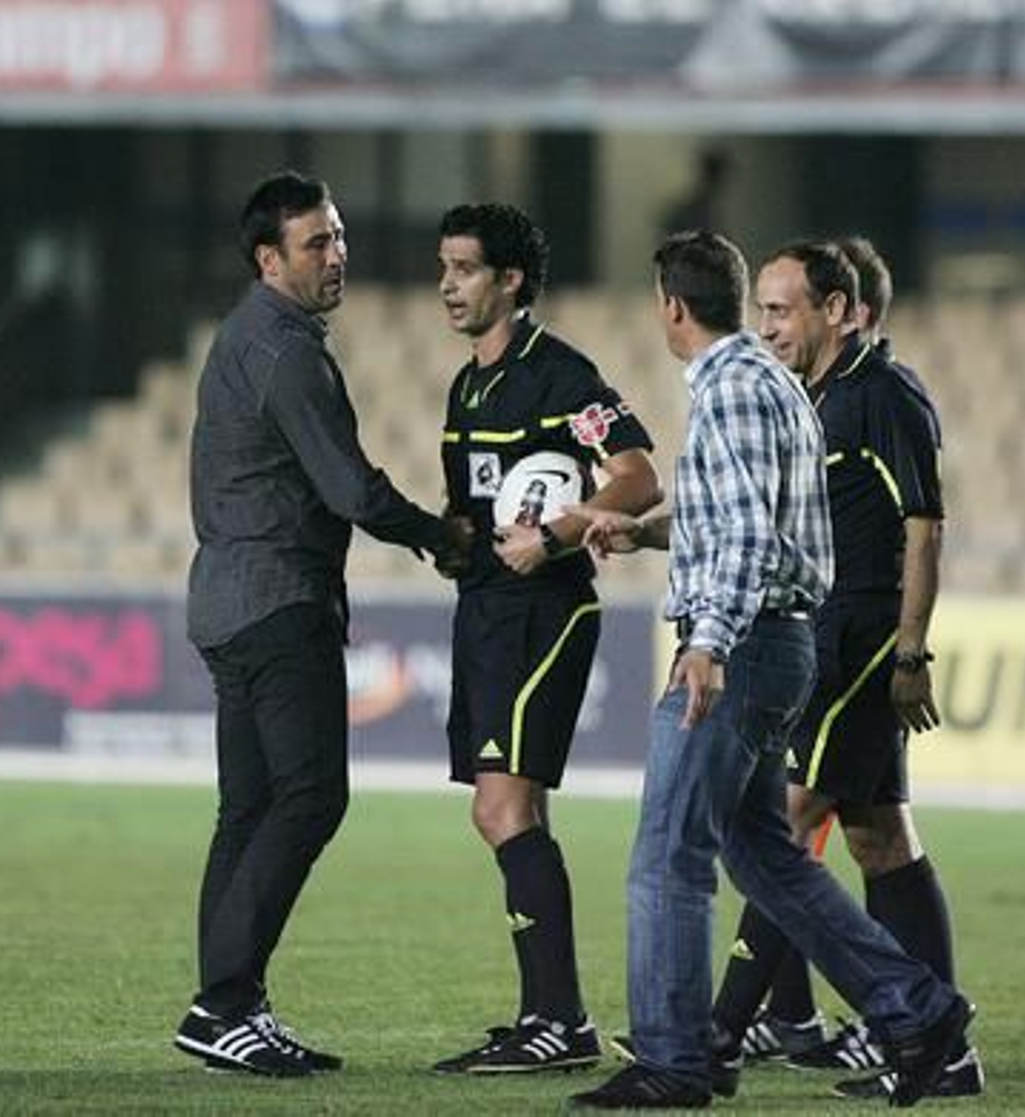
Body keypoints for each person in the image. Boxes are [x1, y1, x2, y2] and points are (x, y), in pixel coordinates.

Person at [566, 231, 971, 1110]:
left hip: (742, 647)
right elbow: (754, 516)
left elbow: (751, 540)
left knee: (667, 855)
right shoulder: (776, 387)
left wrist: (706, 641)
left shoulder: (734, 392)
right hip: (779, 641)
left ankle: (675, 1059)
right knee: (768, 859)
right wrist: (641, 531)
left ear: (670, 305)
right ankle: (916, 1009)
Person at [175, 171, 471, 1076]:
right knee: (312, 796)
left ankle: (232, 1006)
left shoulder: (248, 337)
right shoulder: (286, 351)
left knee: (250, 807)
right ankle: (222, 1000)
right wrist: (436, 533)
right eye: (318, 243)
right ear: (271, 259)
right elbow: (349, 488)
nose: (338, 254)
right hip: (278, 600)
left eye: (339, 236)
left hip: (226, 599)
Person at [704, 238, 982, 1101]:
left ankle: (719, 1030)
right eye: (762, 311)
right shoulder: (807, 398)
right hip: (825, 630)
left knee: (778, 828)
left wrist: (909, 648)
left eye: (781, 310)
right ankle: (941, 1045)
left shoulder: (884, 396)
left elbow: (924, 527)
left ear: (837, 309)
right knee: (879, 834)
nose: (767, 327)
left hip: (861, 638)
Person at [427, 202, 661, 1076]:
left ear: (510, 279)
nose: (448, 284)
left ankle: (557, 1019)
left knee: (501, 809)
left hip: (545, 613)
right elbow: (472, 509)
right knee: (515, 810)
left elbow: (637, 475)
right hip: (485, 612)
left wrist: (561, 534)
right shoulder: (467, 386)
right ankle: (553, 1017)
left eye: (465, 268)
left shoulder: (562, 376)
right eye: (443, 267)